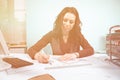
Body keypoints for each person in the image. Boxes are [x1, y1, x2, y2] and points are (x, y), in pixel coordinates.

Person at [27, 7, 94, 63]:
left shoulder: (78, 35)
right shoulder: (51, 35)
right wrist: (37, 56)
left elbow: (90, 49)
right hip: (56, 68)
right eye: (65, 20)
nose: (67, 24)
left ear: (74, 24)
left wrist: (75, 54)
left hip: (74, 68)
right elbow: (31, 49)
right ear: (60, 20)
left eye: (71, 22)